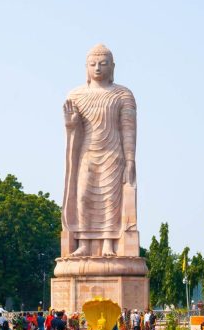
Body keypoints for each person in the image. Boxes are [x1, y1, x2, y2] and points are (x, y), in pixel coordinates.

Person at [62, 44, 137, 257]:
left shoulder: (123, 95)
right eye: (93, 64)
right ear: (86, 67)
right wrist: (71, 125)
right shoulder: (76, 95)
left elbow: (128, 130)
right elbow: (73, 132)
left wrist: (130, 160)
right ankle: (84, 242)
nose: (97, 68)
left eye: (103, 64)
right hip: (87, 154)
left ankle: (107, 242)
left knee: (110, 200)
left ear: (112, 67)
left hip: (113, 154)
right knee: (83, 196)